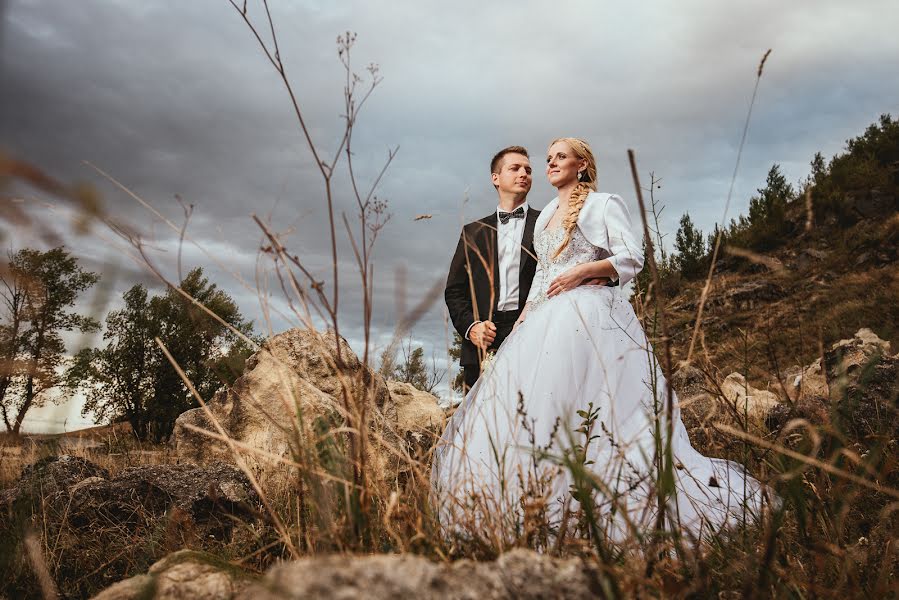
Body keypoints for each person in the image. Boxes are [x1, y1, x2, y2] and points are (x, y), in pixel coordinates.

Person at [432, 137, 770, 545]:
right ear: (495, 177)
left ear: (582, 164)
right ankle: (526, 504)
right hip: (537, 324)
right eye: (545, 159)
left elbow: (631, 256)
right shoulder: (526, 222)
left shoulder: (600, 204)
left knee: (596, 408)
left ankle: (602, 499)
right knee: (531, 413)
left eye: (557, 157)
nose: (542, 167)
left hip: (588, 319)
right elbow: (530, 281)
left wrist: (584, 272)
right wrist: (515, 324)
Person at [444, 146, 542, 393]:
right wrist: (472, 327)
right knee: (477, 425)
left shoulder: (547, 223)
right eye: (515, 168)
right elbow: (454, 291)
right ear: (495, 178)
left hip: (534, 336)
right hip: (481, 343)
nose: (524, 173)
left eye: (528, 170)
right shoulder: (472, 232)